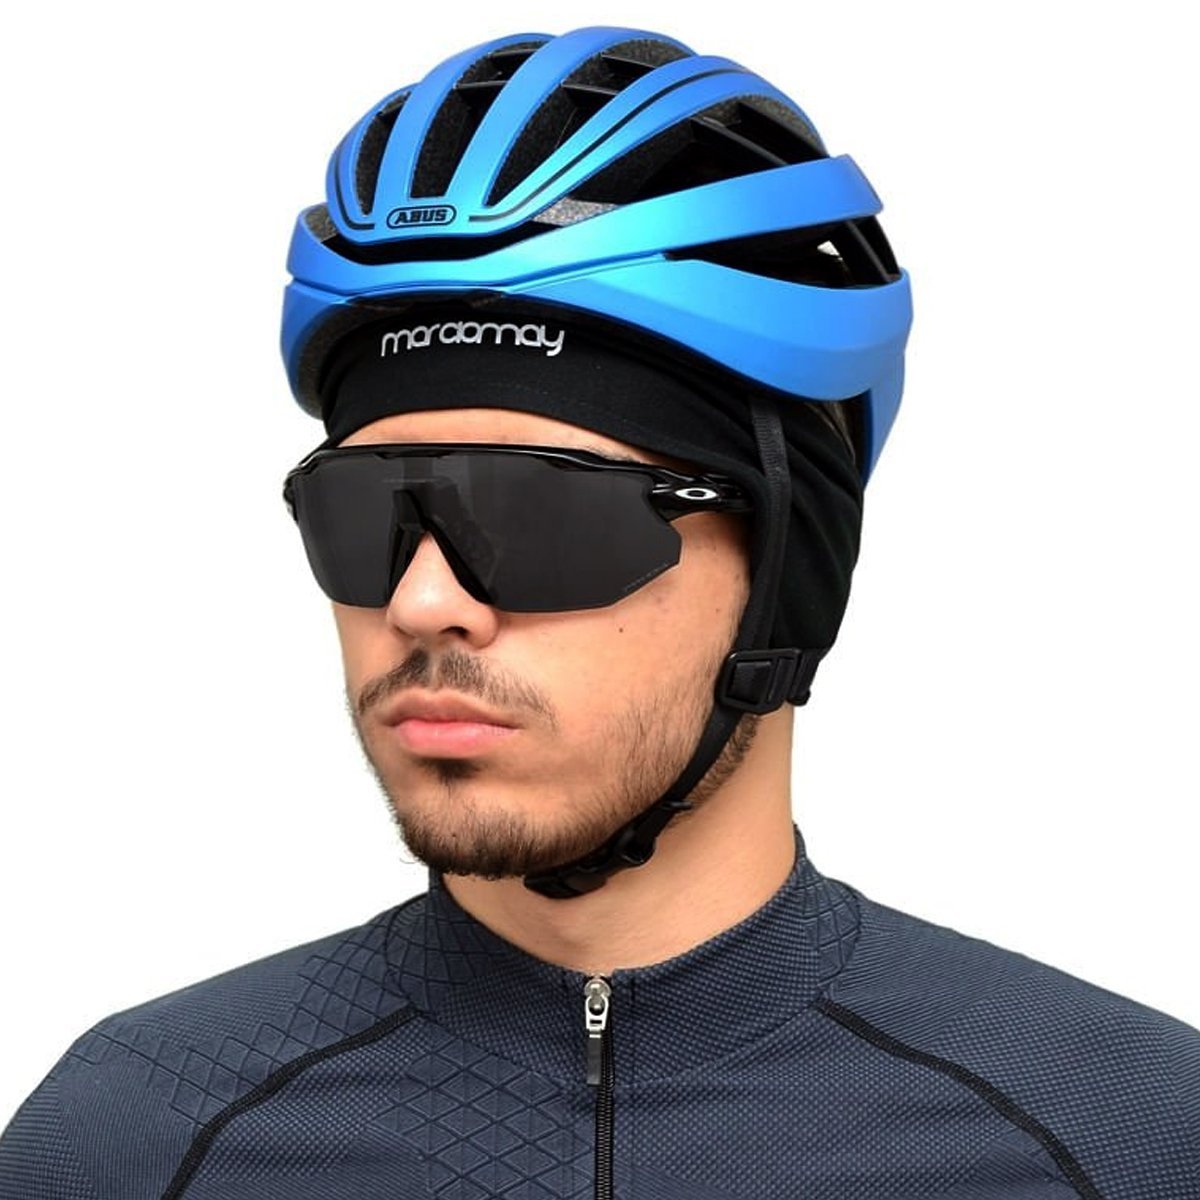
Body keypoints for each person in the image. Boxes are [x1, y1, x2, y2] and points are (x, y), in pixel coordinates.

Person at [2, 23, 1196, 1200]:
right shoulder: (131, 1139)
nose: (423, 602)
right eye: (361, 515)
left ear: (791, 568)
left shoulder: (1124, 1139)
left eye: (537, 515)